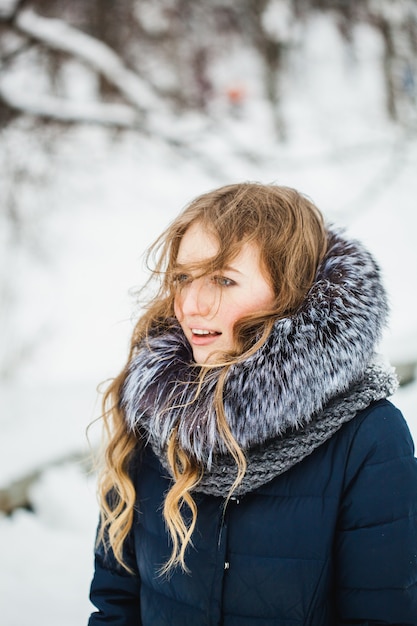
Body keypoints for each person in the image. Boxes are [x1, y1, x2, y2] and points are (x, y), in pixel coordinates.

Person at [88, 183, 417, 625]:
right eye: (184, 277)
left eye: (223, 280)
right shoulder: (155, 410)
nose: (190, 304)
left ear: (290, 292)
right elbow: (115, 602)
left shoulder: (368, 437)